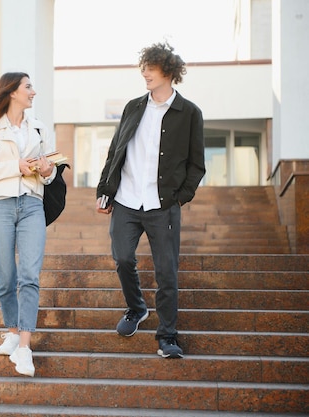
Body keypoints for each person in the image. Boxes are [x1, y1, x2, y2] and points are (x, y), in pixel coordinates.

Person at [95, 42, 205, 359]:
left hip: (163, 205)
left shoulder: (190, 113)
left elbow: (197, 164)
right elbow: (116, 151)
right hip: (127, 200)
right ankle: (136, 308)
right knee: (123, 257)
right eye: (143, 67)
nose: (145, 73)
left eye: (151, 68)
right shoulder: (133, 107)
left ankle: (168, 336)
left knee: (167, 273)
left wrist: (179, 198)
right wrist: (105, 189)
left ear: (168, 72)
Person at [0, 72, 56, 376]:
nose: (34, 91)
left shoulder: (39, 128)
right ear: (12, 92)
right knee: (6, 275)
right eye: (28, 87)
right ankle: (13, 330)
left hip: (32, 203)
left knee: (30, 275)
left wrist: (47, 171)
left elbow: (50, 172)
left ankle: (24, 348)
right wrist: (15, 167)